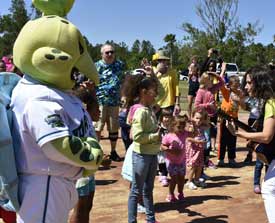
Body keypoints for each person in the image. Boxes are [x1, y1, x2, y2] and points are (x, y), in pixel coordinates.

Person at [235, 66, 275, 223]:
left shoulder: (271, 102)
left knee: (269, 188)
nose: (246, 86)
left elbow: (266, 136)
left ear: (260, 83)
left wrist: (243, 134)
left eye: (249, 82)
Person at [125, 74, 160, 223]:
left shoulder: (149, 109)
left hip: (151, 155)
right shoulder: (141, 112)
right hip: (141, 156)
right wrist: (155, 136)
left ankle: (150, 219)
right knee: (136, 191)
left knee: (148, 190)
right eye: (153, 91)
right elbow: (137, 136)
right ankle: (132, 221)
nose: (156, 94)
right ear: (144, 92)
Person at [69, 75, 100, 223]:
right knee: (80, 208)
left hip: (89, 170)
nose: (99, 112)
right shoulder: (78, 122)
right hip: (80, 170)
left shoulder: (87, 122)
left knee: (88, 205)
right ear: (87, 110)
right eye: (97, 109)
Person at [95, 44, 125, 161]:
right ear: (102, 54)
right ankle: (97, 152)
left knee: (113, 127)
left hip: (114, 102)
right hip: (100, 101)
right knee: (98, 127)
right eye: (107, 52)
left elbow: (123, 80)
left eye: (112, 52)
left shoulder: (119, 65)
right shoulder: (96, 66)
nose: (110, 54)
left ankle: (113, 151)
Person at [217, 66, 245, 167]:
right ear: (230, 85)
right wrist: (223, 71)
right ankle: (220, 159)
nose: (237, 88)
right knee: (223, 139)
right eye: (235, 86)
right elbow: (220, 81)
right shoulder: (226, 92)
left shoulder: (239, 93)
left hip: (234, 119)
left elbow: (243, 106)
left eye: (238, 85)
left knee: (233, 138)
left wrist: (240, 99)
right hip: (225, 118)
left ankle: (231, 159)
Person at [161, 115, 188, 202]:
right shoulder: (168, 136)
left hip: (182, 161)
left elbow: (195, 133)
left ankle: (180, 193)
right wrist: (171, 151)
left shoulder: (184, 133)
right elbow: (162, 146)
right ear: (173, 126)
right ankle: (171, 194)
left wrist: (194, 124)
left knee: (181, 178)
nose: (181, 129)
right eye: (179, 127)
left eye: (183, 127)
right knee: (174, 179)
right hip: (171, 161)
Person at [185, 109, 209, 190]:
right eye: (197, 118)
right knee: (192, 165)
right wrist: (197, 141)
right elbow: (188, 138)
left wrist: (205, 118)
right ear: (192, 117)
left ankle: (196, 180)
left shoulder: (201, 126)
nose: (199, 120)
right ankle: (189, 181)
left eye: (201, 119)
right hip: (193, 149)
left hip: (200, 150)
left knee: (199, 165)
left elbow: (208, 125)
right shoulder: (190, 127)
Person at [153, 50, 181, 117]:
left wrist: (177, 104)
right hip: (155, 104)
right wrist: (157, 71)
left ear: (166, 61)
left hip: (169, 104)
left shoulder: (172, 72)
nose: (161, 62)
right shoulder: (153, 71)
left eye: (163, 60)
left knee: (168, 125)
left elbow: (176, 89)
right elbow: (149, 83)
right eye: (159, 60)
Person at [157, 108, 173, 187]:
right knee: (161, 162)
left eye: (169, 117)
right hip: (160, 148)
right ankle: (162, 175)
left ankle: (164, 175)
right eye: (165, 117)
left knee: (167, 162)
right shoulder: (159, 127)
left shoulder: (171, 128)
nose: (167, 119)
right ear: (161, 118)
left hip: (168, 149)